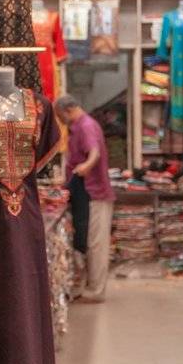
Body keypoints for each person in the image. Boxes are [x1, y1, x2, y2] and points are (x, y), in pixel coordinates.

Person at [53, 95, 115, 302]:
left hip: (95, 193)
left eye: (59, 115)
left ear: (68, 110)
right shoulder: (79, 127)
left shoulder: (86, 125)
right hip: (86, 192)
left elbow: (94, 153)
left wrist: (85, 166)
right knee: (86, 241)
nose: (59, 120)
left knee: (96, 244)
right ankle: (88, 286)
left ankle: (96, 291)